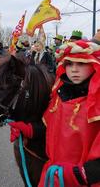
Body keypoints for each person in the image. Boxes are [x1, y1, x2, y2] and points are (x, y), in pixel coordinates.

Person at [9, 40, 100, 186]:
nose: (74, 69)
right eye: (69, 64)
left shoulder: (97, 102)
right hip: (55, 176)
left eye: (81, 63)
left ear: (94, 64)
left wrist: (82, 174)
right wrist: (29, 129)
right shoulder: (59, 96)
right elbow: (50, 128)